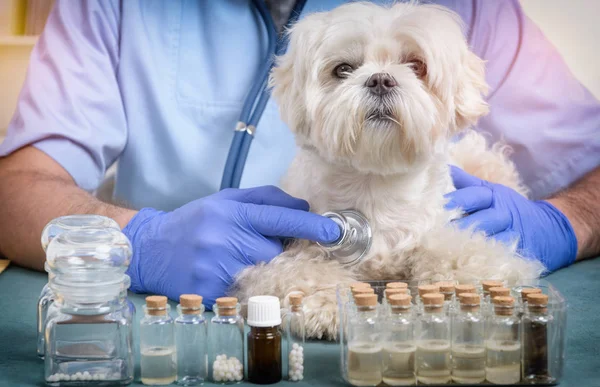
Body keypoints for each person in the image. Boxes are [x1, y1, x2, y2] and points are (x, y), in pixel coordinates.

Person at [0, 1, 598, 304]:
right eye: (345, 69)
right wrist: (137, 245)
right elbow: (14, 188)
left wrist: (568, 220)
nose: (383, 82)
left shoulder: (472, 9)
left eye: (411, 68)